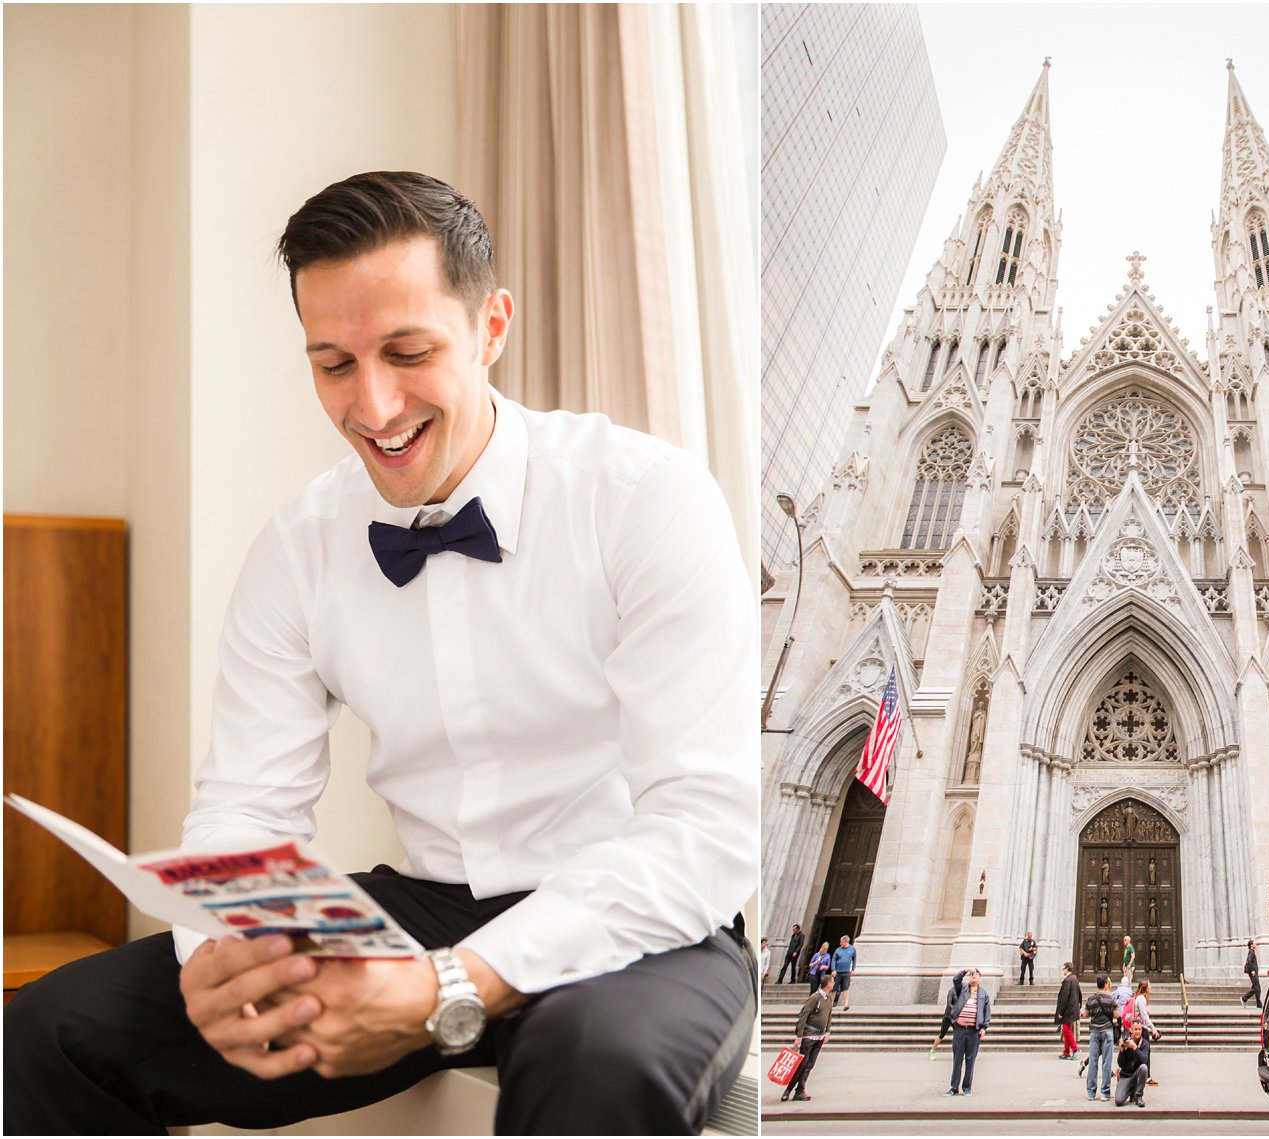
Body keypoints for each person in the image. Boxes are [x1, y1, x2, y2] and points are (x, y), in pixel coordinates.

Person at [3, 171, 758, 1137]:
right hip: (419, 908)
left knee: (595, 1066)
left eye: (408, 351)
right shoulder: (297, 546)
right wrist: (216, 958)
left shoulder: (649, 499)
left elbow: (700, 831)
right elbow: (244, 804)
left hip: (641, 922)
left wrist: (447, 986)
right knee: (53, 1031)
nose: (374, 403)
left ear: (492, 326)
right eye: (332, 363)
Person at [934, 968, 990, 1097]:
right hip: (960, 1029)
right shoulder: (962, 989)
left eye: (975, 975)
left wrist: (984, 1028)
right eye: (971, 976)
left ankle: (967, 1087)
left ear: (980, 978)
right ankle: (954, 1087)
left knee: (970, 1060)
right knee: (957, 1059)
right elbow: (955, 980)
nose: (973, 977)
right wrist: (964, 971)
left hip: (974, 1031)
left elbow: (987, 1011)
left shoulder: (983, 993)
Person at [782, 972, 834, 1103]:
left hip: (820, 1036)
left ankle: (800, 1091)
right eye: (832, 982)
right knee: (802, 1064)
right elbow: (804, 1016)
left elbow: (829, 1015)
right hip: (809, 1035)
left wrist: (827, 1031)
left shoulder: (828, 998)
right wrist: (799, 1036)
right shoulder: (814, 997)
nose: (833, 984)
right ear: (828, 984)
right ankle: (788, 1089)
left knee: (809, 1065)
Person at [1081, 972, 1118, 1101]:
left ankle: (1091, 1092)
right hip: (1107, 1031)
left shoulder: (1091, 998)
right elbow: (1117, 1015)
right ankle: (1105, 1092)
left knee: (1093, 1061)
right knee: (1107, 1062)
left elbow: (1085, 1014)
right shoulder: (1111, 998)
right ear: (1107, 984)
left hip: (1094, 1032)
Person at [1131, 977, 1162, 1085]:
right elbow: (1144, 1017)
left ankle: (1144, 1075)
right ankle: (1146, 1076)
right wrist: (1153, 1029)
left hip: (1142, 1027)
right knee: (1145, 1052)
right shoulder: (1141, 999)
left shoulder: (1140, 998)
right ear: (1145, 987)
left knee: (1143, 1052)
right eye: (1149, 984)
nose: (1151, 986)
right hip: (1142, 1029)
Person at [1113, 1021, 1149, 1108]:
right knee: (1118, 1101)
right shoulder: (1127, 1042)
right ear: (1131, 1031)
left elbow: (1144, 1060)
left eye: (1139, 1029)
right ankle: (1131, 1090)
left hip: (1136, 1074)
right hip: (1126, 1075)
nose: (1138, 1032)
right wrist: (1122, 1050)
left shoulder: (1145, 1043)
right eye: (1135, 1029)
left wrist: (1134, 1047)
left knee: (1144, 1068)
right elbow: (1121, 1064)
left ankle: (1138, 1096)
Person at [1054, 960, 1082, 1059]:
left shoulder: (1067, 981)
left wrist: (1060, 1012)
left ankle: (1075, 1049)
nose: (1063, 970)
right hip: (1073, 1008)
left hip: (1068, 1009)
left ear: (1066, 968)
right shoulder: (1074, 979)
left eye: (1063, 968)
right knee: (1066, 1029)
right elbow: (1079, 993)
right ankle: (1066, 1052)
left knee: (1066, 1029)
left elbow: (1064, 997)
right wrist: (1080, 1005)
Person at [831, 935, 857, 1010]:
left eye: (841, 942)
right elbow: (834, 960)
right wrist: (833, 969)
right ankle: (831, 1003)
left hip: (846, 972)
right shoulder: (838, 950)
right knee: (834, 988)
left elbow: (854, 959)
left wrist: (853, 969)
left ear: (846, 942)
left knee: (845, 987)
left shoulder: (852, 949)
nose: (840, 943)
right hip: (837, 972)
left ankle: (845, 1003)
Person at [1241, 939, 1261, 1008]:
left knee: (1256, 987)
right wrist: (1252, 970)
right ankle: (1244, 998)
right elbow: (1249, 961)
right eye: (1254, 943)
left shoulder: (1252, 952)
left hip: (1254, 972)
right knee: (1256, 988)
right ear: (1251, 945)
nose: (1256, 945)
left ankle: (1259, 1004)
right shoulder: (1251, 952)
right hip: (1253, 972)